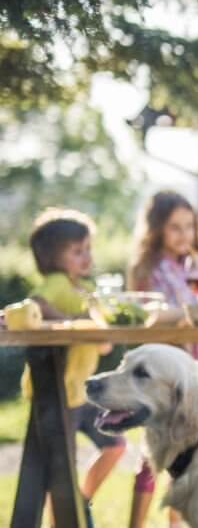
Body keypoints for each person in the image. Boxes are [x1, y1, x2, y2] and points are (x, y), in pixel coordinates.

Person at [126, 190, 198, 528]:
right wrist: (182, 314)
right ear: (157, 230)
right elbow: (146, 317)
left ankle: (175, 524)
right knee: (153, 454)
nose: (185, 235)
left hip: (197, 372)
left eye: (190, 226)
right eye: (175, 228)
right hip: (162, 376)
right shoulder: (148, 269)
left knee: (189, 454)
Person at [23, 208, 126, 527]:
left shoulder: (84, 289)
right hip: (57, 392)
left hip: (82, 394)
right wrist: (70, 322)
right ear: (54, 256)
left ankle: (81, 501)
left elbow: (103, 343)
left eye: (88, 250)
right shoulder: (56, 283)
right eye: (78, 251)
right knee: (60, 468)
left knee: (116, 445)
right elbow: (36, 305)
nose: (87, 257)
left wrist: (95, 328)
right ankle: (64, 521)